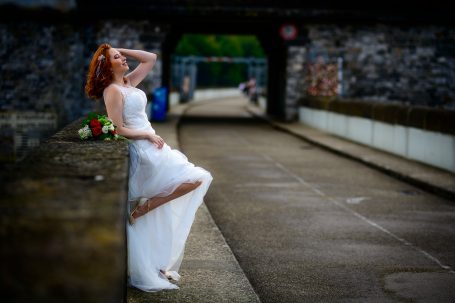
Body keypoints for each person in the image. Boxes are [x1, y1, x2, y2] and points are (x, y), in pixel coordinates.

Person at [85, 43, 213, 292]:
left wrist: (116, 47)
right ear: (107, 65)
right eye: (116, 57)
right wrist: (145, 135)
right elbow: (118, 128)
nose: (122, 58)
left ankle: (155, 261)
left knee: (170, 203)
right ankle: (147, 206)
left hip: (154, 144)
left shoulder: (129, 83)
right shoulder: (112, 90)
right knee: (198, 177)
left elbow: (151, 58)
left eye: (121, 55)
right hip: (143, 148)